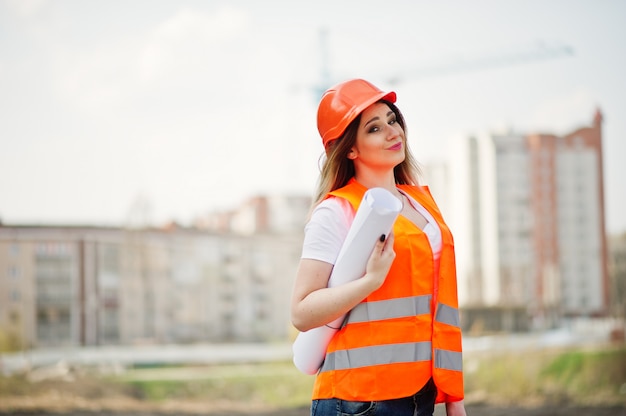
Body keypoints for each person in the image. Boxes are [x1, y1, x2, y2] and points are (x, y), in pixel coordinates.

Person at [290, 78, 467, 416]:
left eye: (392, 119)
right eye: (374, 128)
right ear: (350, 149)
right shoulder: (336, 211)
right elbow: (301, 312)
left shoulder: (423, 205)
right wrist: (369, 282)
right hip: (358, 401)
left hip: (420, 395)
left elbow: (438, 308)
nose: (392, 132)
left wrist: (454, 400)